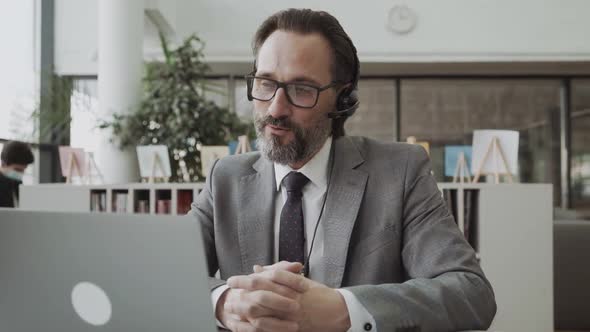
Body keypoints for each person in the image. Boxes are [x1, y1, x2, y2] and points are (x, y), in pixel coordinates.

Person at [190, 8, 496, 332]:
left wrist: (345, 309)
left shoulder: (400, 172)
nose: (276, 108)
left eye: (301, 89)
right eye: (266, 84)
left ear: (342, 99)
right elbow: (161, 273)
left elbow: (471, 293)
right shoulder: (225, 177)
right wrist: (224, 302)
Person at [0, 141, 34, 208]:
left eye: (23, 170)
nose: (20, 173)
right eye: (17, 170)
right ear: (4, 163)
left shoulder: (17, 183)